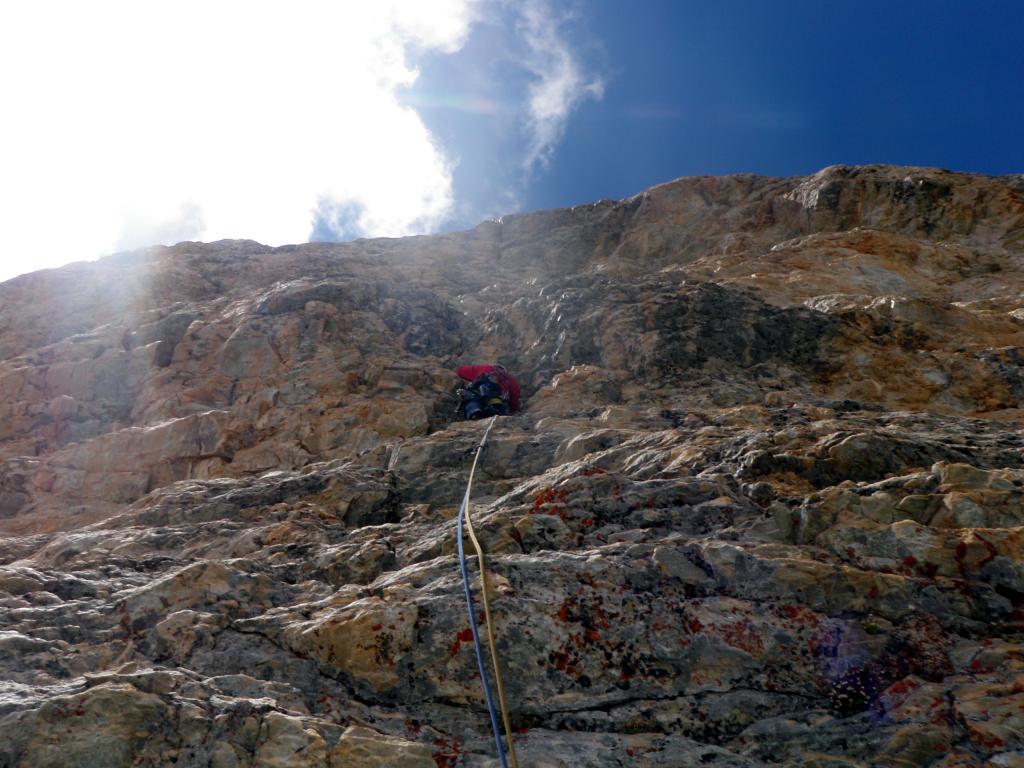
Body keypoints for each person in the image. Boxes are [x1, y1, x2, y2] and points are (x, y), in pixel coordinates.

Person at [455, 364, 521, 420]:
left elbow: (460, 371)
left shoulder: (484, 368)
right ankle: (494, 410)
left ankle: (474, 411)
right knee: (497, 404)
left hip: (479, 395)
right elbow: (515, 400)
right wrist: (514, 410)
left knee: (471, 397)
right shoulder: (510, 380)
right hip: (497, 401)